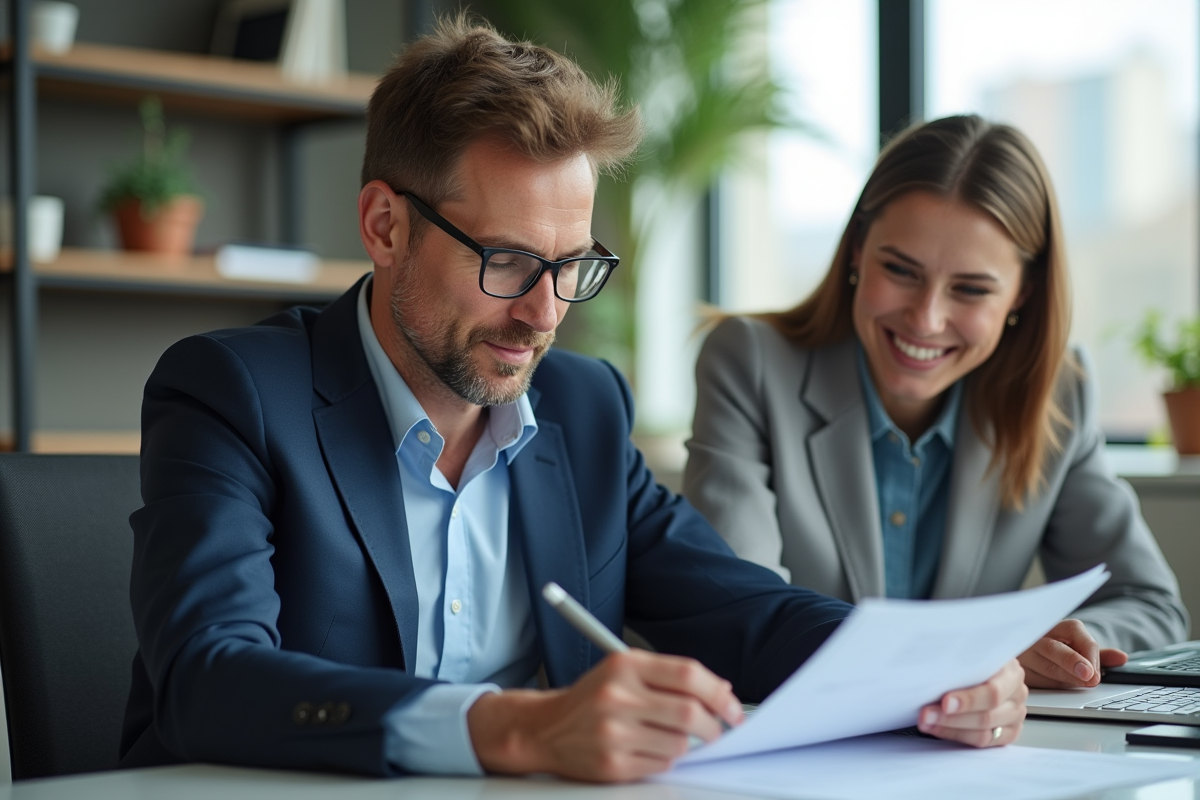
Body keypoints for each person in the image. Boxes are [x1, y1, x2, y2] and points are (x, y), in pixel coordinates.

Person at [119, 23, 1027, 781]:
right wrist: (513, 727)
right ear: (385, 225)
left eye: (573, 266)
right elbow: (209, 680)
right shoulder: (233, 392)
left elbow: (742, 610)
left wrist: (931, 667)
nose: (544, 312)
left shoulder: (583, 408)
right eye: (507, 261)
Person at [684, 115, 1189, 692]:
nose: (925, 318)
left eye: (971, 289)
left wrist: (1061, 645)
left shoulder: (1058, 393)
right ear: (856, 251)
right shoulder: (749, 362)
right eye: (900, 270)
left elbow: (1151, 607)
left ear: (1022, 291)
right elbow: (741, 614)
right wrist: (973, 654)